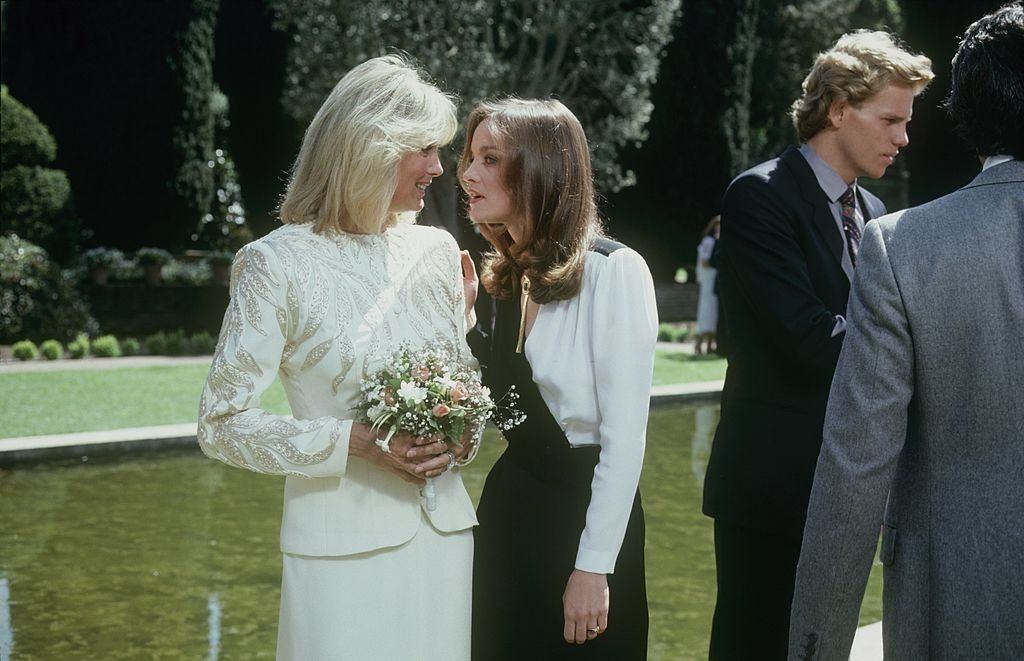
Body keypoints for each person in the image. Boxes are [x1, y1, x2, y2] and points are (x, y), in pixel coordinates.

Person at [196, 56, 479, 660]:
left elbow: (467, 397)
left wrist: (457, 436)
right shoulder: (276, 264)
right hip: (338, 550)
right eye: (424, 149)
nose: (438, 167)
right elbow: (222, 425)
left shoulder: (437, 251)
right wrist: (356, 440)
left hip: (444, 537)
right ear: (371, 144)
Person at [789, 4, 1024, 659]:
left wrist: (815, 649)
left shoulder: (902, 246)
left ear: (969, 110)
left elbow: (854, 471)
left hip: (951, 613)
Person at [701, 31, 934, 659]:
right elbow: (805, 335)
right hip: (771, 482)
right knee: (753, 645)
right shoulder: (759, 195)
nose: (903, 138)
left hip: (846, 483)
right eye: (890, 119)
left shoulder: (876, 210)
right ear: (837, 110)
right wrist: (927, 366)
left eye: (905, 122)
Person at [458, 98, 658, 659]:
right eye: (470, 158)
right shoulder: (504, 277)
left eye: (490, 159)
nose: (468, 175)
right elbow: (509, 402)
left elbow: (625, 441)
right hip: (509, 513)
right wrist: (469, 324)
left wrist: (593, 567)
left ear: (542, 168)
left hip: (583, 520)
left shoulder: (613, 272)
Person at [695, 215, 721, 355]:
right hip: (709, 277)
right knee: (706, 310)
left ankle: (711, 343)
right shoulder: (709, 241)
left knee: (713, 311)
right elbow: (705, 261)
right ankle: (700, 342)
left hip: (713, 278)